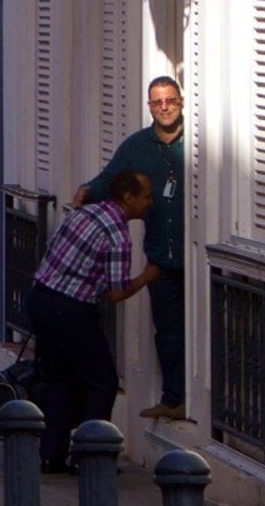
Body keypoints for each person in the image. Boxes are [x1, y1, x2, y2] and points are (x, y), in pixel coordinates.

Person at [78, 75, 192, 420]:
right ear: (149, 106)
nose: (164, 107)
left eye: (170, 100)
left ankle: (199, 399)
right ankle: (174, 398)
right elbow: (111, 179)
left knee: (202, 332)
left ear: (181, 102)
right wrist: (87, 192)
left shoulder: (195, 141)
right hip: (160, 257)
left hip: (196, 257)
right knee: (169, 333)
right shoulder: (137, 146)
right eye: (157, 102)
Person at [26, 169, 157, 464]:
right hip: (71, 310)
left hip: (39, 298)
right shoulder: (118, 235)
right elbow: (116, 292)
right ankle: (91, 456)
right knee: (102, 382)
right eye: (146, 197)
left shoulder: (84, 213)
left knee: (61, 379)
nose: (150, 203)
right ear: (128, 197)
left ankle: (51, 455)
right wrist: (149, 276)